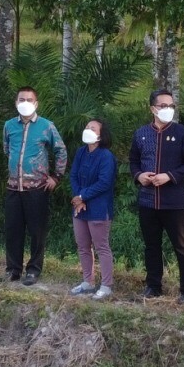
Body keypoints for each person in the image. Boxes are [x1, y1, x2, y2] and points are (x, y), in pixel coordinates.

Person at [129, 89, 184, 302]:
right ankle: (153, 286)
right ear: (152, 109)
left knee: (181, 246)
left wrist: (169, 176)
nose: (167, 109)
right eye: (163, 106)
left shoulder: (182, 133)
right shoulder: (141, 133)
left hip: (173, 201)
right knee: (151, 245)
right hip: (148, 200)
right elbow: (133, 162)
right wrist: (139, 175)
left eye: (171, 106)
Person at [1, 86, 67, 286]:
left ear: (36, 103)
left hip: (38, 189)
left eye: (29, 99)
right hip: (14, 187)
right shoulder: (9, 126)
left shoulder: (46, 126)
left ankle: (33, 269)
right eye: (21, 99)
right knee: (13, 230)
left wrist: (56, 177)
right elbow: (6, 150)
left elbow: (61, 151)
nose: (25, 103)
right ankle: (13, 269)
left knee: (37, 231)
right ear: (16, 102)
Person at [69, 118, 117, 299]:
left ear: (100, 135)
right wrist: (78, 199)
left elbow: (104, 182)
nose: (87, 129)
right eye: (87, 126)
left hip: (98, 207)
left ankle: (106, 285)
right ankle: (87, 281)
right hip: (80, 208)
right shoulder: (81, 152)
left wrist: (83, 196)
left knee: (101, 246)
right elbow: (73, 176)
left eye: (93, 128)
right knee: (83, 246)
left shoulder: (106, 156)